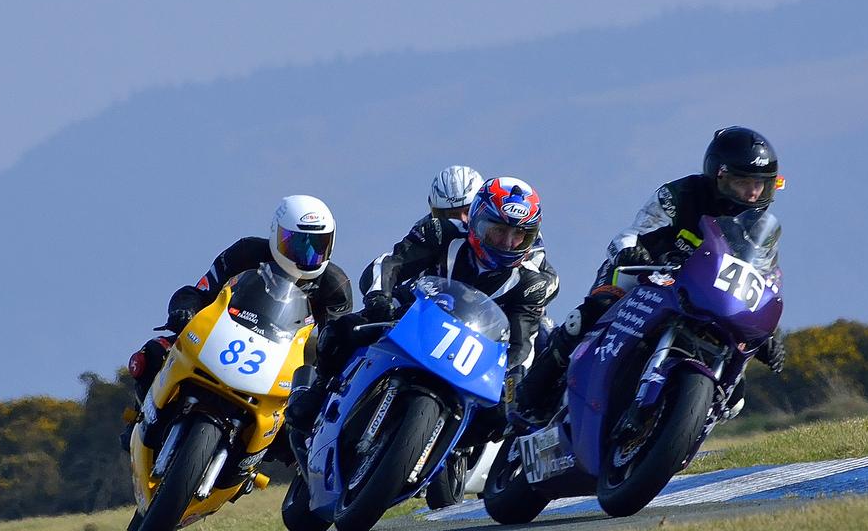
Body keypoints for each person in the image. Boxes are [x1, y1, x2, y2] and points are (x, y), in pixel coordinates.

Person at [514, 126, 787, 423]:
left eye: (761, 184)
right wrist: (630, 252)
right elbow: (634, 231)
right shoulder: (681, 194)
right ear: (718, 175)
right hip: (646, 271)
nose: (753, 193)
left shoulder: (761, 230)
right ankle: (529, 397)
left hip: (704, 296)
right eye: (743, 182)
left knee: (735, 395)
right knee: (588, 316)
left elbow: (761, 278)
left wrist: (767, 332)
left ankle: (678, 425)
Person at [285, 175, 559, 440]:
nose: (508, 242)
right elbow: (390, 264)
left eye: (519, 235)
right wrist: (379, 297)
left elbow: (522, 345)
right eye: (499, 230)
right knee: (341, 332)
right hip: (412, 315)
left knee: (501, 415)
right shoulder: (443, 232)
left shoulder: (529, 283)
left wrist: (510, 378)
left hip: (470, 353)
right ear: (477, 220)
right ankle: (319, 390)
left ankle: (454, 457)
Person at [122, 194, 353, 454]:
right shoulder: (245, 252)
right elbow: (200, 291)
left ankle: (282, 477)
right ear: (276, 235)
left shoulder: (336, 287)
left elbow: (333, 346)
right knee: (153, 352)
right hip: (221, 337)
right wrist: (184, 311)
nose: (307, 254)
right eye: (298, 243)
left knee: (308, 422)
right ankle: (142, 415)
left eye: (317, 244)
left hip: (281, 365)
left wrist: (313, 387)